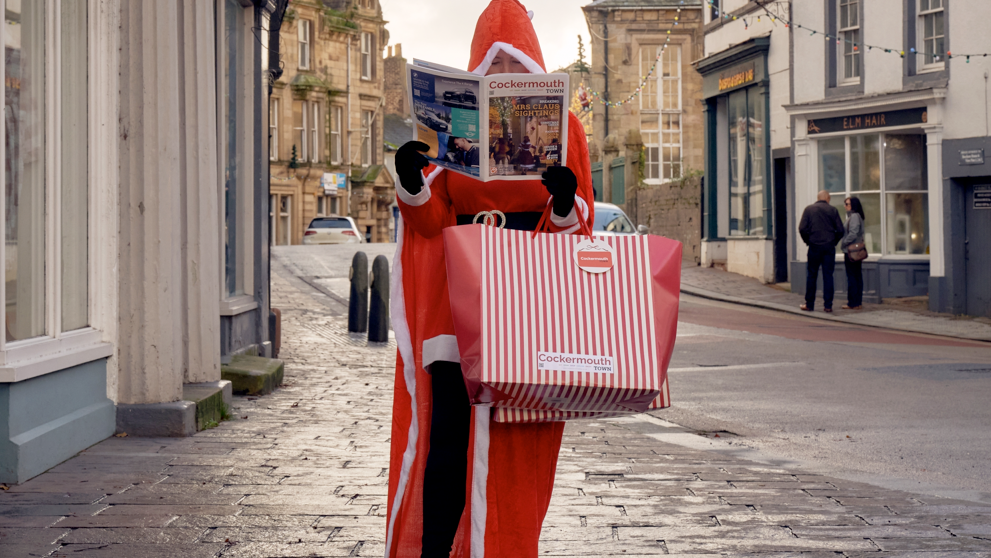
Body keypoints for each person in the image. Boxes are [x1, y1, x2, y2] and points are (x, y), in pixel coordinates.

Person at [385, 2, 596, 557]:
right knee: (448, 439)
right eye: (493, 64)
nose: (503, 73)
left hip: (528, 300)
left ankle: (505, 547)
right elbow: (431, 222)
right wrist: (413, 182)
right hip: (460, 295)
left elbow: (579, 229)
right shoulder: (452, 125)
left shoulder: (568, 127)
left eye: (514, 65)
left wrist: (565, 201)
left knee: (520, 440)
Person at [798, 190, 844, 312]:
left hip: (814, 246)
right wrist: (833, 241)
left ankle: (809, 304)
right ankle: (828, 306)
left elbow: (802, 228)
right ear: (827, 198)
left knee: (812, 275)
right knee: (828, 276)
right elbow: (840, 230)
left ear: (818, 198)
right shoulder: (833, 210)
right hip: (828, 247)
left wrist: (808, 241)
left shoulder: (809, 209)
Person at [841, 197, 866, 310]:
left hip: (851, 252)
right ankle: (857, 302)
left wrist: (844, 243)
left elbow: (853, 233)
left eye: (847, 204)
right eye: (845, 204)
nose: (845, 206)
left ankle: (853, 303)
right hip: (855, 251)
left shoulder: (854, 216)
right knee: (856, 276)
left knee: (852, 276)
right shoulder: (855, 216)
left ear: (853, 205)